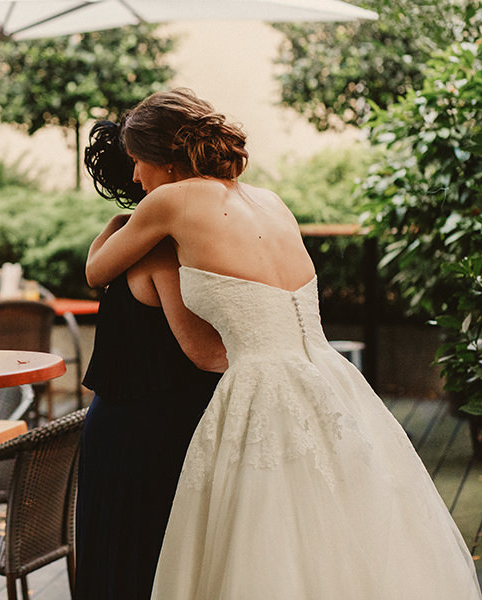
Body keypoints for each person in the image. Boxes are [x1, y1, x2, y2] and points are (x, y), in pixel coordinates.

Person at [85, 88, 482, 600]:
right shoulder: (270, 201)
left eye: (138, 161)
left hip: (259, 388)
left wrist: (119, 222)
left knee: (266, 546)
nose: (136, 177)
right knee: (334, 532)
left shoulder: (167, 202)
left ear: (164, 158)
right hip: (328, 377)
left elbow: (97, 271)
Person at [74, 121, 224, 600]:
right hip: (150, 434)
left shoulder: (124, 238)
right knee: (146, 565)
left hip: (120, 427)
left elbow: (93, 269)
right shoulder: (161, 252)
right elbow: (203, 351)